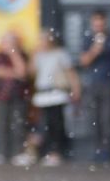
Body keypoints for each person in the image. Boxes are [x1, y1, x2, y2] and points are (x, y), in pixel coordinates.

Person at [15, 28, 80, 168]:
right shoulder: (39, 55)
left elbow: (71, 73)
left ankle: (55, 152)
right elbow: (30, 72)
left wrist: (76, 89)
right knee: (41, 125)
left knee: (56, 124)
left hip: (57, 93)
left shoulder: (60, 54)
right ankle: (36, 152)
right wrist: (34, 54)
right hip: (42, 94)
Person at [78, 9, 110, 162]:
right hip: (93, 84)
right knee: (94, 118)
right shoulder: (88, 39)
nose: (98, 26)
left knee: (107, 118)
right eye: (96, 23)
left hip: (109, 83)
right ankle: (97, 149)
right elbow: (84, 61)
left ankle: (107, 151)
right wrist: (95, 50)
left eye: (101, 23)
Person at [0, 30, 29, 164]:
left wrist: (14, 54)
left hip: (19, 94)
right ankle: (2, 152)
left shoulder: (23, 54)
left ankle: (18, 152)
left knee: (18, 124)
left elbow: (22, 72)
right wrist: (15, 73)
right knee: (2, 124)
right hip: (2, 95)